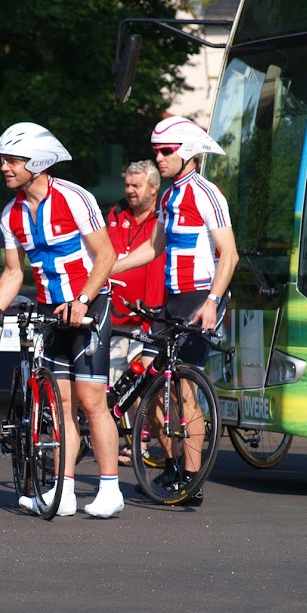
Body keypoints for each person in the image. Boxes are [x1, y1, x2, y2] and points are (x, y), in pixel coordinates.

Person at [0, 122, 122, 519]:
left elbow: (105, 256)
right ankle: (64, 490)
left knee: (92, 402)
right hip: (50, 310)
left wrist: (83, 300)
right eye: (2, 160)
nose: (4, 167)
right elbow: (13, 273)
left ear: (37, 163)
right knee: (61, 404)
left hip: (91, 304)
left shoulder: (74, 198)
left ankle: (110, 489)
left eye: (12, 160)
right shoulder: (11, 213)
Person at [110, 116, 239, 506]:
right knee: (150, 383)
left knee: (185, 391)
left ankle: (191, 481)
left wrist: (213, 303)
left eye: (166, 152)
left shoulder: (206, 193)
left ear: (186, 153)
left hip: (199, 296)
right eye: (156, 152)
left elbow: (229, 254)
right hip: (170, 300)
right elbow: (152, 248)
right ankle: (172, 467)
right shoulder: (168, 196)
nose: (159, 158)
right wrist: (104, 269)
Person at [106, 160, 166, 465]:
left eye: (136, 185)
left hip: (152, 315)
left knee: (146, 381)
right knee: (119, 382)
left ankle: (144, 440)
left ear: (153, 188)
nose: (129, 190)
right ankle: (134, 439)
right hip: (118, 314)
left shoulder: (163, 218)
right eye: (127, 185)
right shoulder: (116, 215)